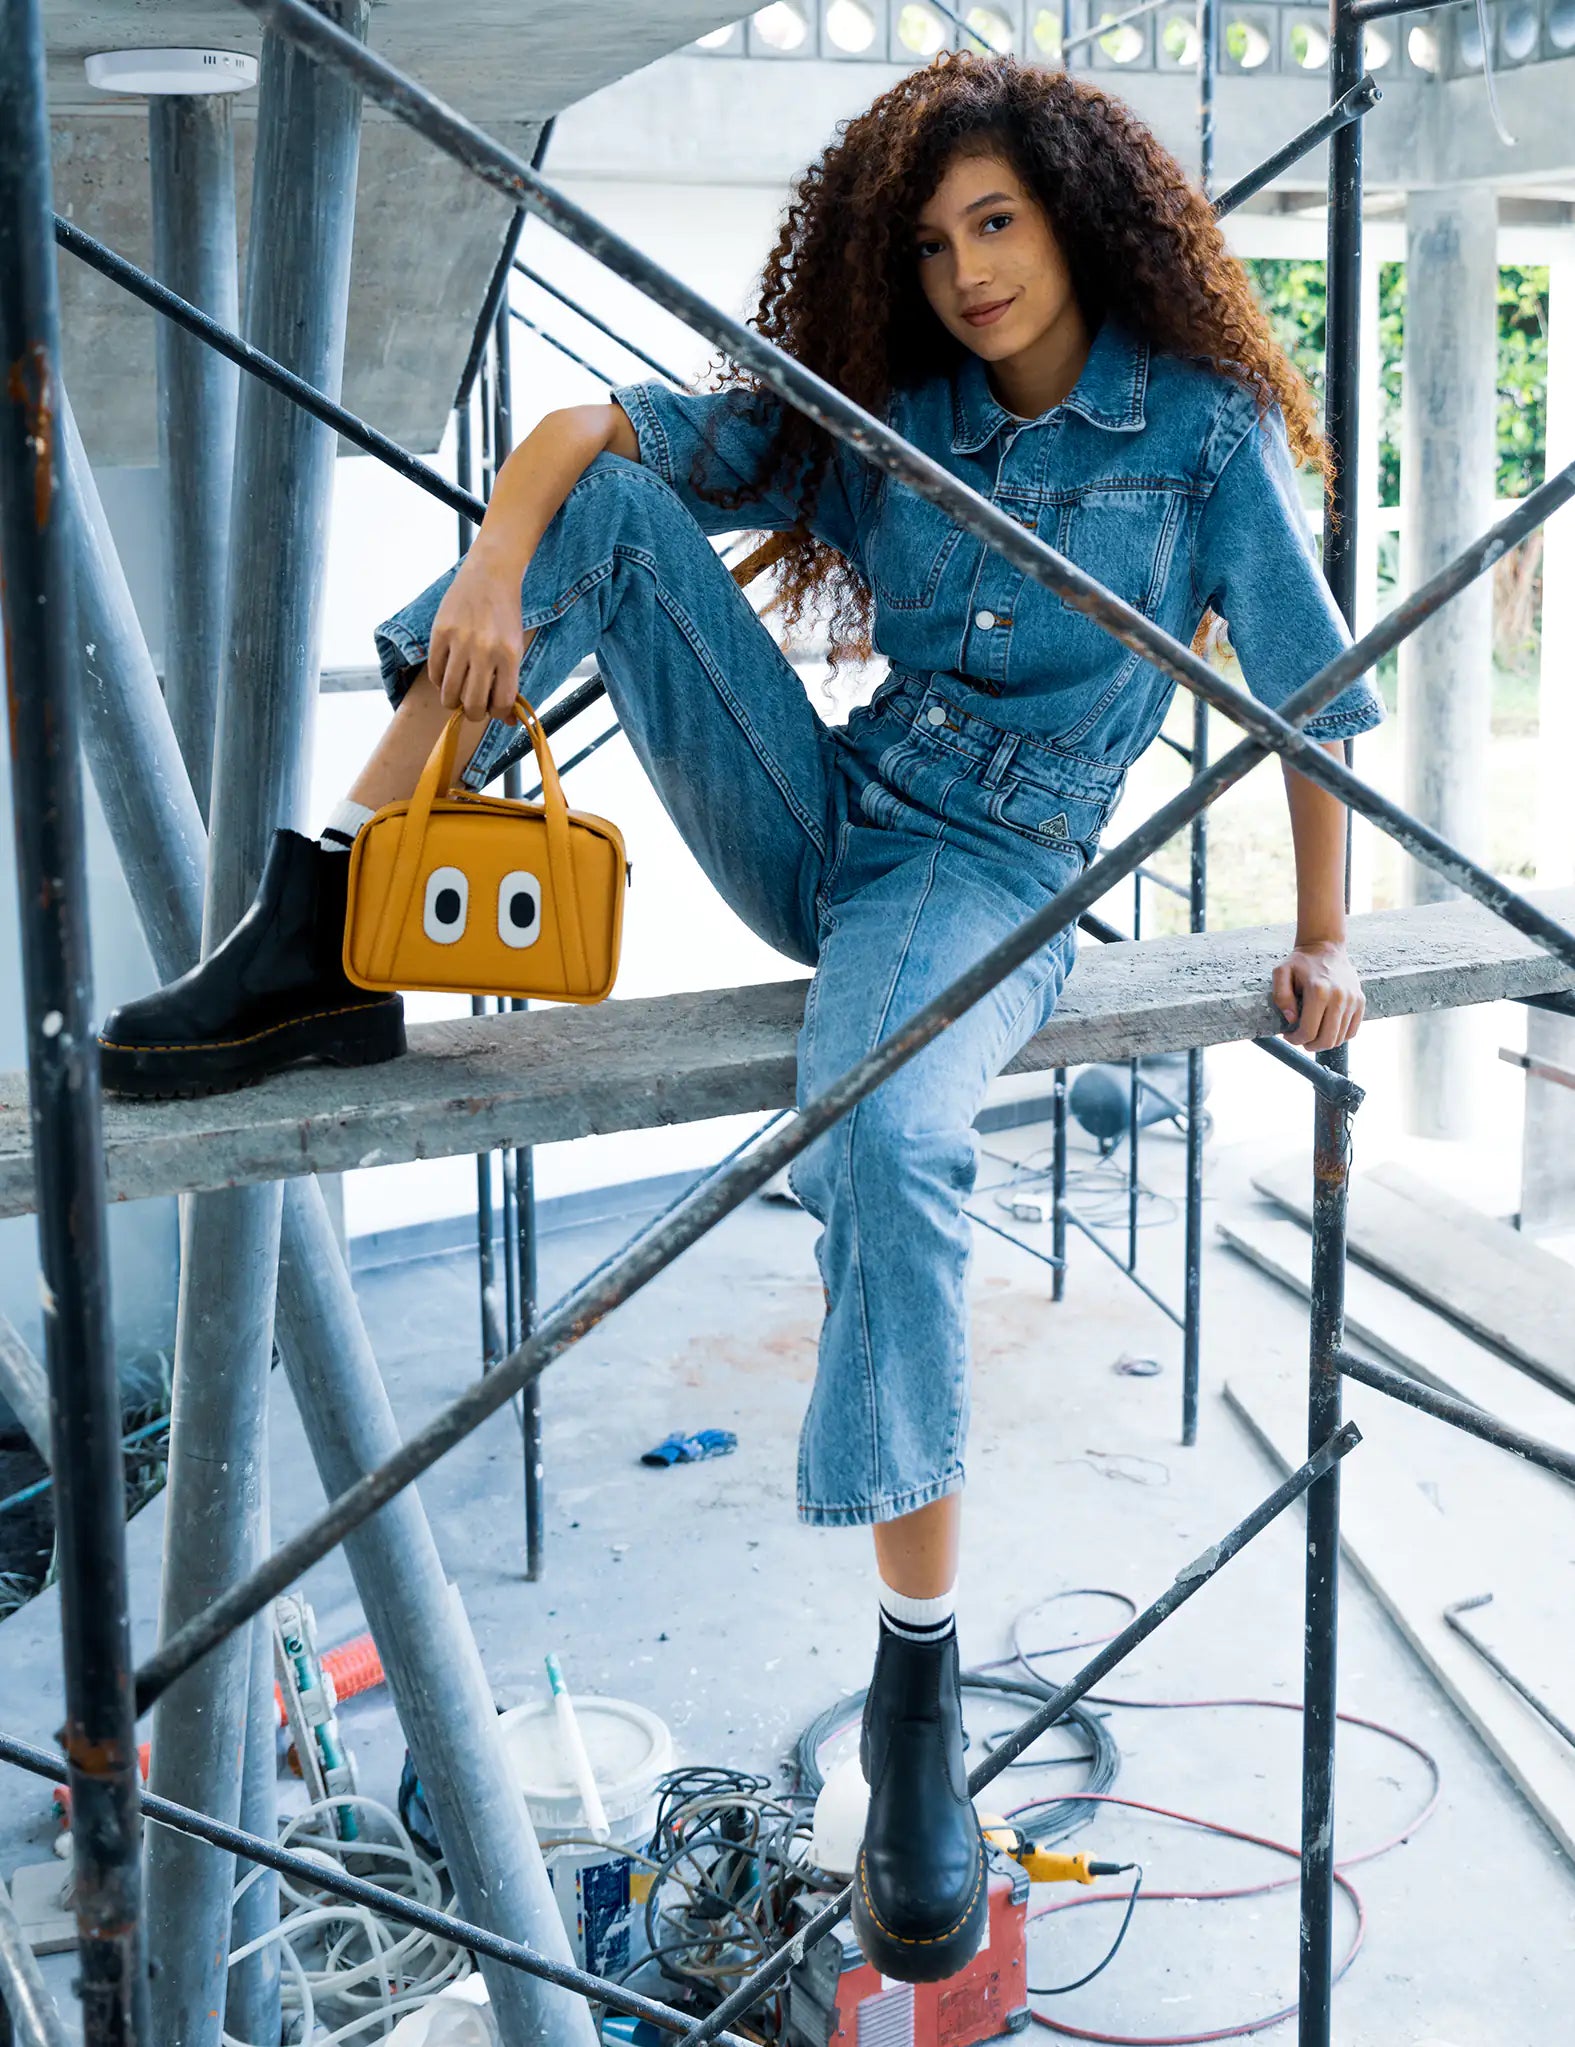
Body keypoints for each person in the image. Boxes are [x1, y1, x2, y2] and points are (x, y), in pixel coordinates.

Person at [99, 54, 1381, 1983]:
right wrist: (501, 570)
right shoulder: (897, 406)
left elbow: (1311, 694)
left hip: (993, 867)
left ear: (1079, 222)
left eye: (998, 224)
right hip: (830, 810)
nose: (966, 273)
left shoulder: (1199, 437)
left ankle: (918, 1687)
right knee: (607, 512)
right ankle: (323, 926)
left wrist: (1327, 937)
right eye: (931, 242)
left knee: (893, 1139)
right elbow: (585, 433)